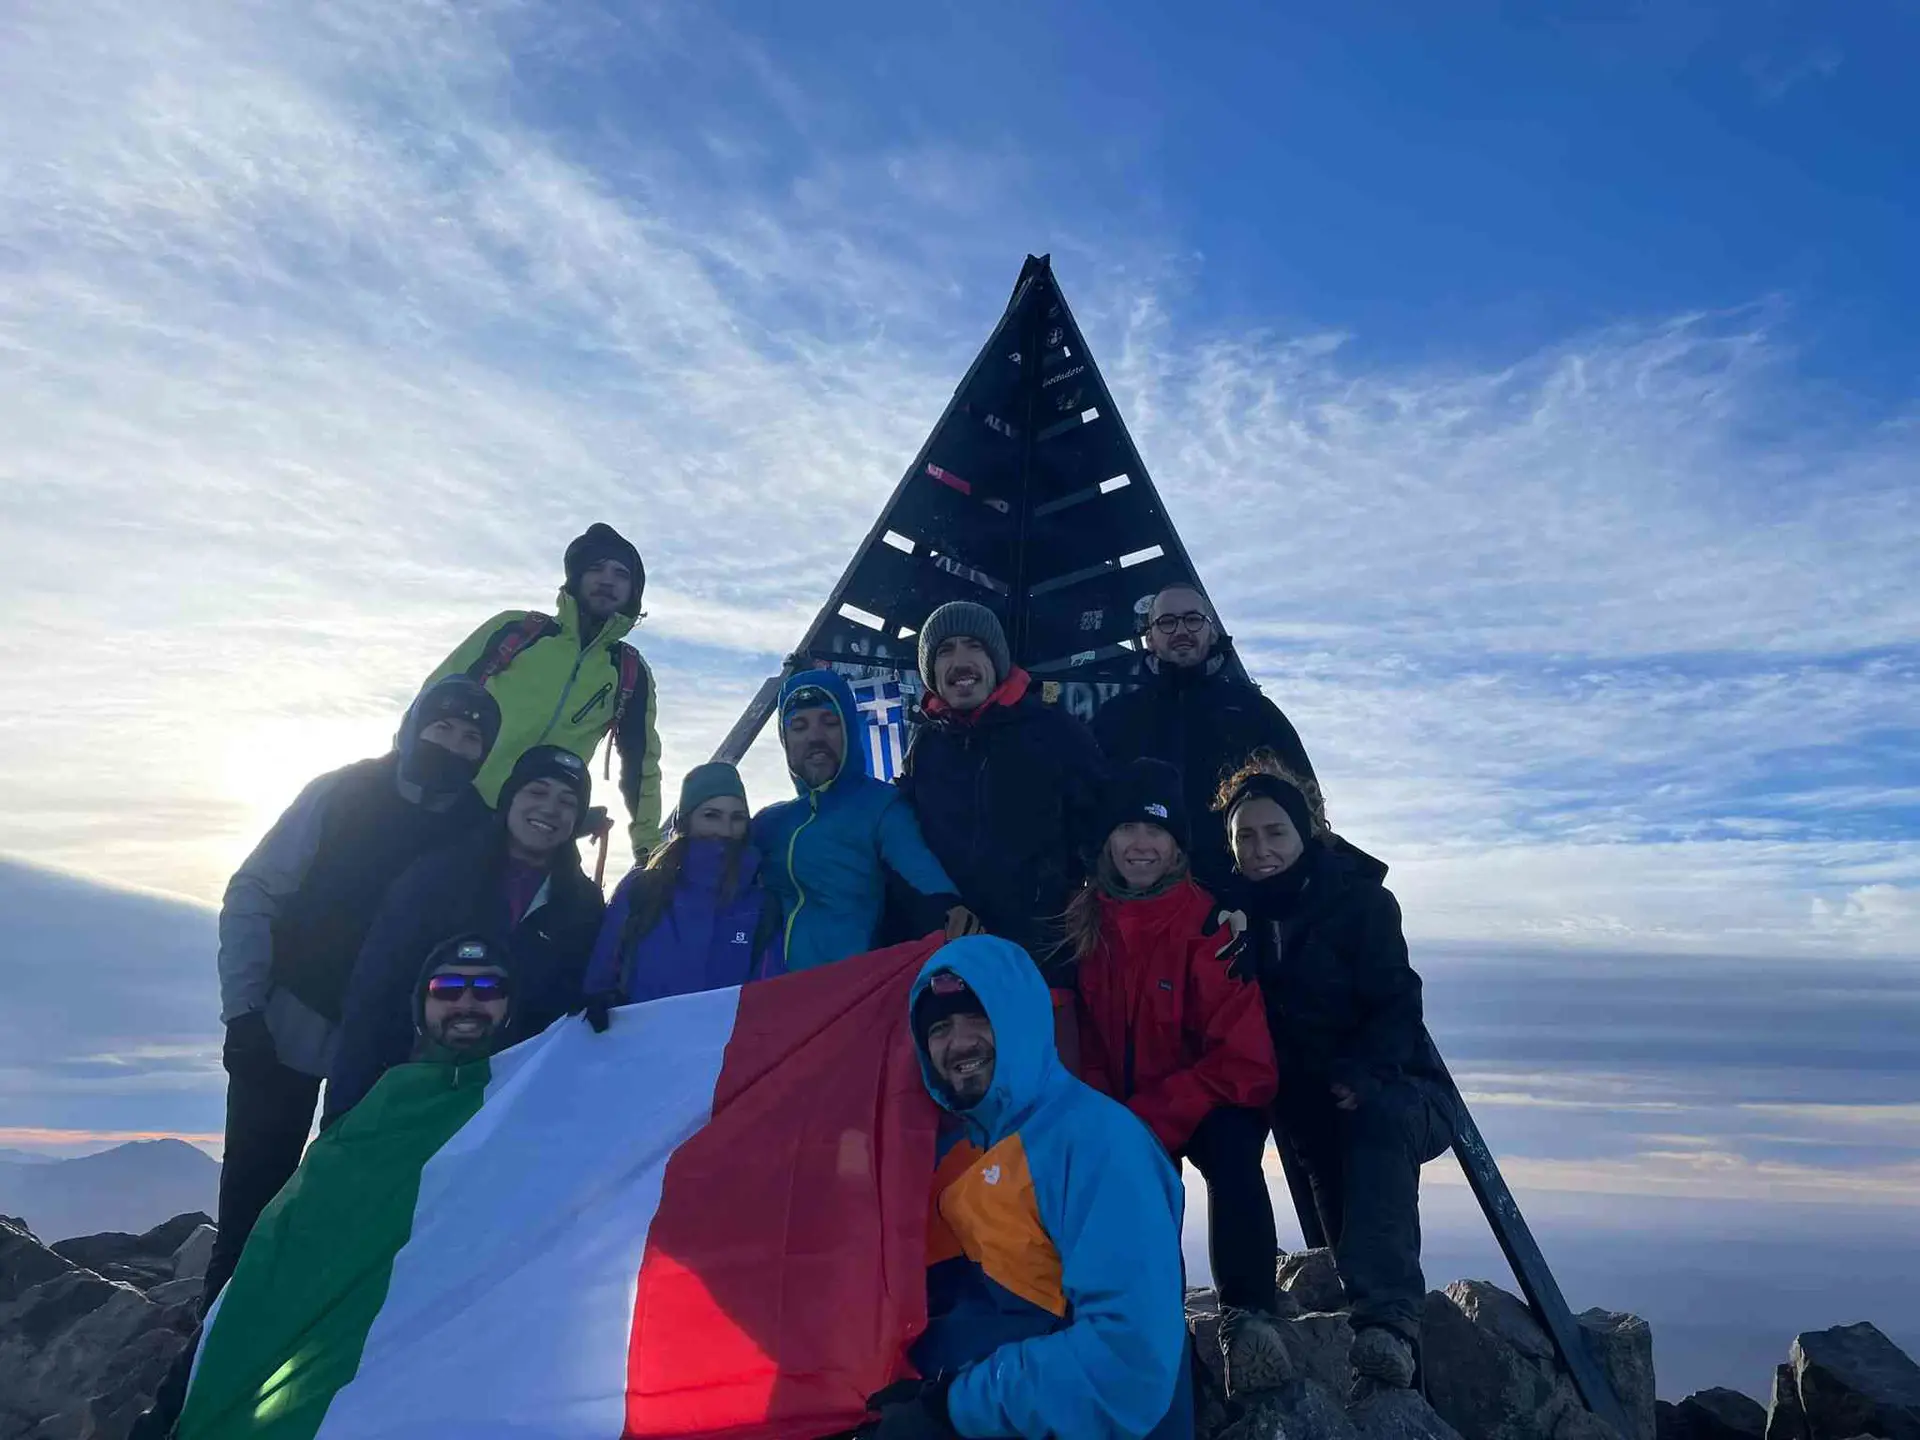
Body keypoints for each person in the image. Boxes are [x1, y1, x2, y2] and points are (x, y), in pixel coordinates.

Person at [205, 674, 500, 1305]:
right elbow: (254, 892)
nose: (453, 745)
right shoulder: (341, 793)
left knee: (342, 1206)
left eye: (471, 738)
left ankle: (298, 1343)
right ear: (413, 726)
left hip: (389, 1051)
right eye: (442, 727)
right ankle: (212, 1339)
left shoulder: (480, 829)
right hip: (285, 1024)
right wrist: (243, 1012)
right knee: (251, 1202)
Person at [857, 937, 1189, 1439]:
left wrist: (950, 1408)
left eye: (977, 1018)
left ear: (1020, 1018)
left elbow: (1128, 1360)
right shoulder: (947, 1158)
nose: (959, 1043)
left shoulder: (1096, 1141)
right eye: (939, 1028)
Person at [1217, 753, 1455, 1393]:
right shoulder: (1232, 912)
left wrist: (1365, 1070)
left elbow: (1398, 1003)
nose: (1261, 849)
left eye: (1275, 832)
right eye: (1246, 836)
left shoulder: (1362, 903)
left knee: (1377, 1130)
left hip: (1399, 1088)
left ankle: (1390, 1329)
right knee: (1343, 1234)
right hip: (1309, 1106)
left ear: (1305, 831)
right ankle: (1374, 1364)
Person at [1064, 760, 1288, 1396]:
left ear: (1178, 845)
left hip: (1208, 1097)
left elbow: (1244, 1062)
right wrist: (1110, 1114)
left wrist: (1151, 1115)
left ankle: (1249, 1319)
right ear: (1107, 839)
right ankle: (1149, 1328)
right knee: (1120, 1179)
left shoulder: (1210, 923)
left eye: (1156, 831)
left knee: (1234, 1160)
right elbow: (1086, 1040)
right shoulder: (1085, 921)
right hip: (1129, 1105)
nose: (1141, 844)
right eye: (1127, 828)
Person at [323, 745, 604, 1125]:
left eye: (567, 801)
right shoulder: (435, 878)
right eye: (537, 792)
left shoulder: (583, 905)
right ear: (510, 798)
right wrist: (343, 1115)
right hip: (410, 1092)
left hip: (506, 1108)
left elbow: (566, 1006)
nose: (550, 809)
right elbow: (372, 996)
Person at [420, 522, 664, 862]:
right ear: (577, 576)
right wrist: (406, 774)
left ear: (633, 590)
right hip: (451, 805)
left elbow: (640, 762)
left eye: (620, 574)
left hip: (541, 829)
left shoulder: (630, 671)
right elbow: (433, 700)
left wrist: (648, 845)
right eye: (596, 568)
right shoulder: (516, 631)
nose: (607, 580)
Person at [896, 602, 1107, 978]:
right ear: (931, 672)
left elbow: (1100, 828)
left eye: (974, 645)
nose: (960, 661)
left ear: (996, 661)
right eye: (945, 651)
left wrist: (1083, 900)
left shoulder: (1056, 732)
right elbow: (908, 847)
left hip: (1042, 958)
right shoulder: (924, 748)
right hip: (950, 956)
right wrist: (937, 908)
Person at [1091, 583, 1317, 898]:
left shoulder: (1254, 711)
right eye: (1167, 622)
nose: (1181, 630)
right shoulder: (1115, 717)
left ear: (1211, 632)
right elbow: (1085, 803)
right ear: (1150, 639)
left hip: (1238, 896)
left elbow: (1305, 801)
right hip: (1142, 897)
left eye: (1193, 619)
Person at [752, 668, 973, 972]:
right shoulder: (768, 824)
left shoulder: (879, 807)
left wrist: (950, 911)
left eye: (830, 722)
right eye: (799, 727)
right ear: (785, 740)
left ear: (850, 730)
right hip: (772, 994)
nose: (815, 737)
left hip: (853, 989)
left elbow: (920, 873)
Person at [579, 762, 782, 1025]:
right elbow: (603, 969)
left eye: (737, 818)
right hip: (640, 1041)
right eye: (711, 815)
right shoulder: (643, 890)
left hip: (719, 1046)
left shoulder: (760, 907)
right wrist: (598, 999)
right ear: (687, 821)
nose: (725, 829)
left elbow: (767, 995)